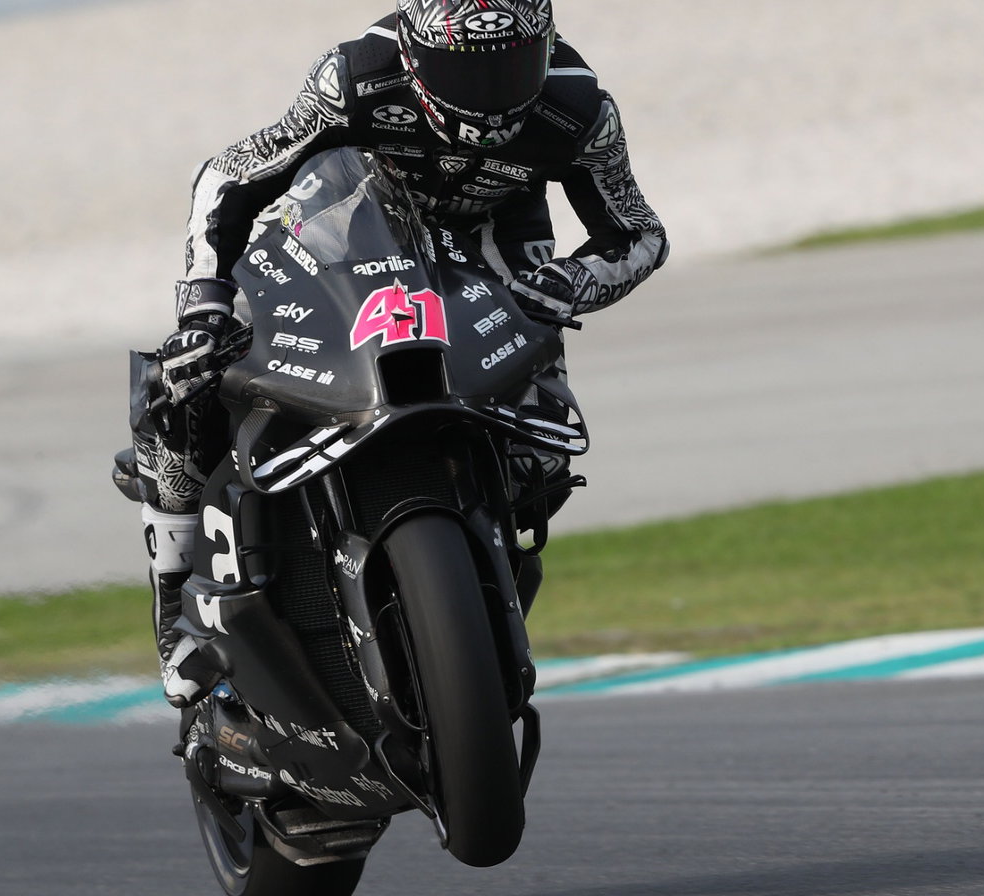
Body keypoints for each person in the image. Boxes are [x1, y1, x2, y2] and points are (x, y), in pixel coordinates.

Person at [131, 0, 669, 708]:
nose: (490, 95)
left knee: (542, 456)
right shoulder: (355, 77)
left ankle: (477, 594)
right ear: (414, 55)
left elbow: (638, 232)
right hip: (349, 229)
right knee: (183, 384)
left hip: (491, 248)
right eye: (462, 70)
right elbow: (230, 174)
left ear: (545, 47)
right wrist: (204, 301)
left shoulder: (580, 108)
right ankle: (176, 611)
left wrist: (569, 283)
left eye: (510, 67)